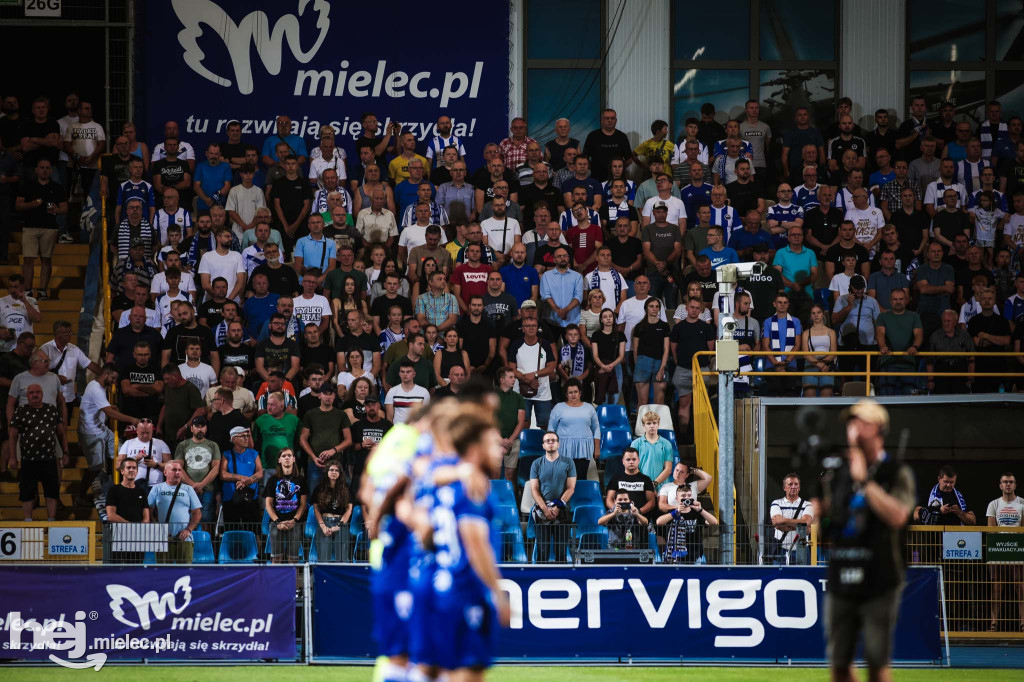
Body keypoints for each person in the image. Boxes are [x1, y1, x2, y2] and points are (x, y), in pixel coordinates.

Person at [821, 399, 915, 682]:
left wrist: (865, 482)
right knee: (838, 663)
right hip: (841, 576)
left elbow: (899, 515)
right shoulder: (839, 472)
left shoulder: (896, 472)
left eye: (860, 422)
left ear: (878, 428)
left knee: (876, 661)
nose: (853, 429)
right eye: (851, 423)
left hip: (881, 578)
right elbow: (829, 519)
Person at [9, 383, 66, 521]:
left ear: (42, 394)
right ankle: (28, 523)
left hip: (49, 458)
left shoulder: (51, 409)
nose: (34, 394)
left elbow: (61, 433)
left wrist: (65, 452)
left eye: (37, 392)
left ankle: (51, 522)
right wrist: (12, 457)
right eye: (31, 392)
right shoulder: (21, 411)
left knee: (51, 492)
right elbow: (13, 435)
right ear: (27, 396)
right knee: (27, 493)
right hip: (29, 459)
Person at [15, 158, 67, 299]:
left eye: (47, 168)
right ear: (36, 170)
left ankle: (43, 290)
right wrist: (31, 204)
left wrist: (56, 209)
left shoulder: (57, 187)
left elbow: (65, 207)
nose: (44, 170)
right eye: (42, 167)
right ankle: (28, 290)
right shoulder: (28, 186)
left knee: (46, 259)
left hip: (49, 227)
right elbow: (18, 204)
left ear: (50, 170)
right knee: (28, 260)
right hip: (30, 226)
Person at [529, 431, 576, 563]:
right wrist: (544, 508)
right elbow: (534, 489)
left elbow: (571, 488)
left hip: (562, 511)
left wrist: (558, 506)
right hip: (541, 511)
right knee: (542, 551)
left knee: (561, 552)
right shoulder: (536, 464)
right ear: (543, 445)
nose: (550, 443)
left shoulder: (568, 462)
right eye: (547, 441)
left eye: (553, 440)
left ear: (558, 444)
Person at [985, 472, 1024, 631]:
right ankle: (994, 624)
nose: (1008, 484)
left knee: (1021, 587)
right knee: (996, 587)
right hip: (998, 550)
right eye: (1005, 482)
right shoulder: (993, 504)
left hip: (1018, 549)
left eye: (1011, 482)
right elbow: (991, 529)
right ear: (1000, 485)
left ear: (1015, 485)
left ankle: (1023, 623)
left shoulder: (1022, 503)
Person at [146, 460, 202, 564]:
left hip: (185, 539)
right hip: (163, 538)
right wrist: (157, 529)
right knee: (164, 573)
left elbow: (197, 513)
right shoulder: (157, 488)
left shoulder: (188, 489)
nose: (177, 473)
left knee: (185, 573)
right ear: (165, 472)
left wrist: (188, 530)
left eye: (180, 470)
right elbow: (148, 510)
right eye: (174, 470)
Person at [548, 378, 600, 482]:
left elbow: (596, 429)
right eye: (570, 392)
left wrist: (597, 449)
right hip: (563, 449)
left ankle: (579, 498)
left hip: (584, 449)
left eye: (575, 392)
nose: (573, 395)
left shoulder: (589, 408)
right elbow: (551, 429)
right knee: (564, 480)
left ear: (580, 393)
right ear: (566, 394)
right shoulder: (558, 407)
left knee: (581, 479)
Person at [509, 317, 556, 429]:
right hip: (521, 391)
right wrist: (528, 380)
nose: (531, 328)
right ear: (523, 329)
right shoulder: (516, 345)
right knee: (523, 423)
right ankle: (524, 446)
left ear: (537, 328)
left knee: (545, 425)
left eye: (534, 326)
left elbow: (551, 367)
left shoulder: (544, 344)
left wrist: (535, 374)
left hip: (543, 392)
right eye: (528, 326)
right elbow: (511, 369)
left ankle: (543, 447)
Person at [876, 289, 923, 395]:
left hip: (908, 362)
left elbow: (919, 334)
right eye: (895, 299)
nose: (898, 302)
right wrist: (883, 346)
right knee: (886, 398)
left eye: (901, 299)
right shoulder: (883, 316)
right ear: (890, 301)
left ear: (906, 300)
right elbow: (880, 333)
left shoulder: (914, 316)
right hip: (888, 362)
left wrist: (915, 347)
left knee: (909, 399)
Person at [263, 448, 307, 563]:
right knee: (276, 559)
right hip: (276, 523)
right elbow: (268, 504)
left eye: (289, 455)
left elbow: (303, 504)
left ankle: (295, 582)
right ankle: (276, 582)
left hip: (295, 523)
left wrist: (294, 520)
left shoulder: (301, 480)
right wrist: (277, 522)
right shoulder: (272, 480)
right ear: (279, 460)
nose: (286, 458)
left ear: (294, 459)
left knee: (293, 560)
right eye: (283, 456)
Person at [656, 484, 717, 564]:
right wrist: (676, 512)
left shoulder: (697, 513)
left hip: (695, 555)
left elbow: (714, 522)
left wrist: (700, 510)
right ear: (677, 499)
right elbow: (659, 522)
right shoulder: (673, 513)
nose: (686, 498)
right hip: (676, 557)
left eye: (689, 496)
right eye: (683, 496)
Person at [105, 458, 151, 561]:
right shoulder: (114, 490)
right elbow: (111, 516)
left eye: (134, 468)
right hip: (118, 537)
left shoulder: (142, 491)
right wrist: (131, 526)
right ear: (122, 471)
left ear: (137, 471)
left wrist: (138, 531)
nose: (131, 470)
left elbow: (146, 518)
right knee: (118, 571)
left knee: (136, 570)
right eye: (128, 467)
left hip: (137, 539)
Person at [632, 296, 671, 409]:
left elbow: (666, 349)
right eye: (651, 306)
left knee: (659, 402)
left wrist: (662, 368)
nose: (654, 309)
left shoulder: (664, 326)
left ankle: (658, 427)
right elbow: (635, 349)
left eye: (657, 306)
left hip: (660, 362)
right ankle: (641, 427)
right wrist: (638, 365)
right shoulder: (639, 327)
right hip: (643, 362)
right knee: (642, 402)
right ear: (646, 308)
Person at [219, 426, 264, 524]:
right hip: (231, 497)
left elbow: (260, 472)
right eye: (242, 436)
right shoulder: (227, 454)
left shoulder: (253, 453)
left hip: (250, 497)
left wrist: (248, 481)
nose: (246, 438)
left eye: (247, 436)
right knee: (232, 530)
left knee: (252, 529)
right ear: (233, 439)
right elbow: (223, 474)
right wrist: (241, 478)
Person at [311, 460, 352, 562]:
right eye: (331, 470)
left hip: (341, 523)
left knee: (342, 559)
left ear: (340, 473)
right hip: (325, 522)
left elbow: (349, 509)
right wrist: (323, 526)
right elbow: (316, 509)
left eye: (337, 470)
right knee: (323, 558)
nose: (334, 472)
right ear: (327, 472)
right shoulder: (319, 488)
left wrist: (339, 526)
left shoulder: (346, 488)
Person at [768, 473, 814, 565]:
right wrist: (802, 527)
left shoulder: (808, 504)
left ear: (799, 487)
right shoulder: (776, 503)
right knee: (779, 577)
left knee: (803, 577)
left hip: (802, 547)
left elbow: (806, 522)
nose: (793, 487)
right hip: (781, 548)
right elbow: (777, 524)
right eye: (790, 484)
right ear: (784, 488)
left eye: (796, 484)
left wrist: (783, 521)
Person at [800, 304, 838, 398]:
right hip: (811, 364)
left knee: (826, 399)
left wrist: (824, 363)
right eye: (813, 313)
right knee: (809, 400)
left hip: (826, 365)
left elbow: (833, 352)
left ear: (822, 314)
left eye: (818, 312)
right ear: (810, 316)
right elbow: (805, 353)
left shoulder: (831, 332)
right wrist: (819, 363)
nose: (816, 315)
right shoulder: (805, 333)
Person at [604, 447, 656, 514]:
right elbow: (609, 500)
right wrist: (617, 511)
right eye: (628, 460)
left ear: (638, 460)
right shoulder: (616, 478)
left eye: (634, 459)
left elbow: (651, 502)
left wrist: (638, 512)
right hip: (620, 519)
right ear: (623, 461)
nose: (631, 462)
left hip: (640, 519)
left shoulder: (646, 479)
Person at [630, 411, 674, 487]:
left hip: (662, 486)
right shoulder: (635, 444)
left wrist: (655, 483)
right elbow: (633, 466)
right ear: (643, 425)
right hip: (641, 485)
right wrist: (647, 484)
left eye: (654, 423)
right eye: (648, 423)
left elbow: (668, 468)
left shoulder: (666, 444)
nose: (652, 426)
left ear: (658, 424)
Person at [384, 360, 431, 425]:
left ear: (414, 374)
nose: (405, 374)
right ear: (399, 374)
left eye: (408, 372)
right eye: (402, 372)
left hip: (416, 432)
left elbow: (426, 416)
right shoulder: (392, 392)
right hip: (398, 431)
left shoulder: (423, 392)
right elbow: (389, 417)